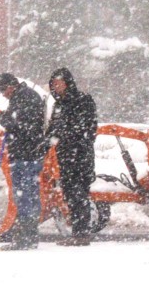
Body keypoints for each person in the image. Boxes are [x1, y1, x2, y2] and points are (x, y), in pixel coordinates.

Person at [46, 67, 99, 246]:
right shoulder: (58, 104)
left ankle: (82, 234)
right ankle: (78, 232)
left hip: (80, 155)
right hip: (65, 156)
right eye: (53, 84)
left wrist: (66, 136)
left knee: (79, 194)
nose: (55, 86)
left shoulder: (82, 100)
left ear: (67, 83)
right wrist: (47, 141)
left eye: (58, 83)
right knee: (69, 194)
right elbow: (53, 129)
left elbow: (87, 128)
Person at [0, 72, 47, 250]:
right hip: (31, 153)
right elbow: (24, 124)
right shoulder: (26, 96)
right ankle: (30, 236)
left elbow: (18, 124)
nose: (3, 94)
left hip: (24, 154)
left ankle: (25, 238)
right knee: (30, 195)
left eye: (3, 90)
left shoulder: (23, 98)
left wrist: (0, 116)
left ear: (12, 85)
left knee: (24, 196)